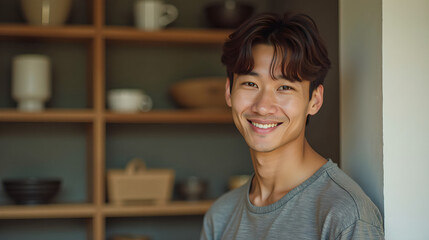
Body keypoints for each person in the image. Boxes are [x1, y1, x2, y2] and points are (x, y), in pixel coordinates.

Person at [200, 12, 384, 240]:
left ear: (314, 100)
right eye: (250, 83)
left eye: (285, 87)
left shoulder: (345, 215)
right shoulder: (220, 216)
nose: (263, 107)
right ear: (229, 92)